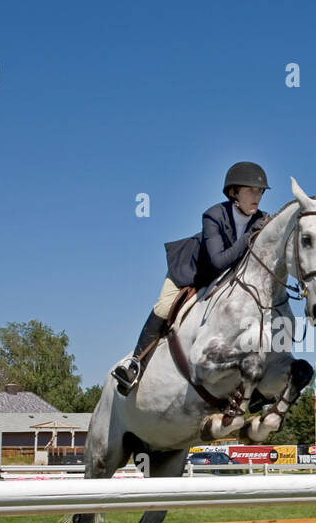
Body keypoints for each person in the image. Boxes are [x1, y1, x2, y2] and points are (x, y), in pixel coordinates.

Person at [111, 161, 271, 394]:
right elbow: (218, 261)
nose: (257, 196)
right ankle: (135, 365)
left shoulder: (262, 219)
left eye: (260, 191)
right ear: (235, 192)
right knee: (165, 308)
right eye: (251, 190)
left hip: (224, 280)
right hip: (191, 272)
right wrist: (249, 237)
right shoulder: (214, 215)